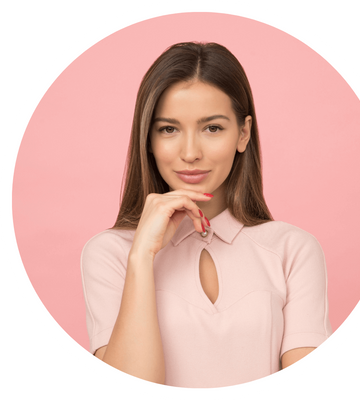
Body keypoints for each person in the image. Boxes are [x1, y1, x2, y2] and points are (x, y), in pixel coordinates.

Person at [80, 42, 332, 388]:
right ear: (148, 139)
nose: (190, 153)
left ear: (243, 133)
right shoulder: (110, 254)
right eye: (168, 129)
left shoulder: (293, 250)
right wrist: (141, 258)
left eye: (212, 128)